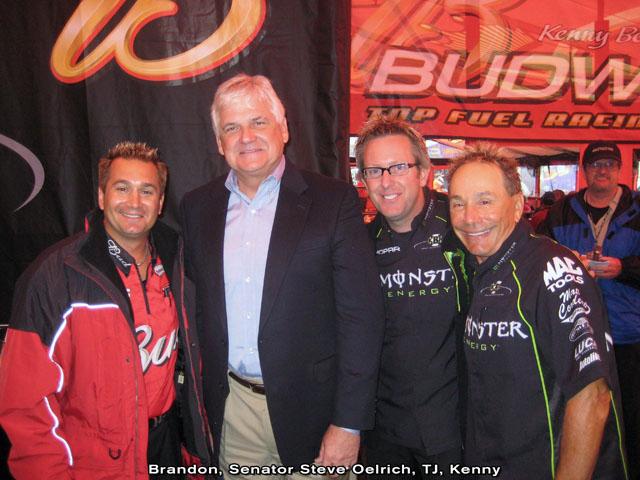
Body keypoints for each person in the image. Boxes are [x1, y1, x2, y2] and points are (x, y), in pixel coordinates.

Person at [180, 73, 384, 478]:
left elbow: (362, 319)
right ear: (219, 142)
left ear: (283, 128)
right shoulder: (196, 208)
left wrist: (348, 423)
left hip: (317, 415)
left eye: (258, 122)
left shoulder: (333, 201)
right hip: (234, 411)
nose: (246, 137)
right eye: (232, 128)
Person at [0, 142, 213, 479]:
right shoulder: (54, 277)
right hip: (94, 462)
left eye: (147, 191)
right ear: (101, 197)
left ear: (160, 203)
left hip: (168, 447)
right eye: (122, 188)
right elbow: (25, 404)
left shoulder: (180, 263)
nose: (134, 202)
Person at [443, 143, 628, 479]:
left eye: (485, 201)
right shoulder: (475, 269)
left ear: (517, 207)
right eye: (458, 203)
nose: (469, 217)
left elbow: (592, 397)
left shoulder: (552, 269)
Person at [354, 117, 461, 478]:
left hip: (457, 431)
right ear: (363, 179)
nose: (386, 182)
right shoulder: (359, 246)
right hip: (385, 433)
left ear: (424, 172)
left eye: (399, 167)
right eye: (374, 171)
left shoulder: (463, 225)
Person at [538, 141, 640, 478]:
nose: (603, 170)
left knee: (630, 415)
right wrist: (570, 261)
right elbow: (538, 254)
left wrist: (623, 268)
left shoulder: (637, 208)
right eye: (596, 164)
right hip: (575, 331)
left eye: (610, 164)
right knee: (578, 412)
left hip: (628, 334)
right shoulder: (561, 211)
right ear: (584, 170)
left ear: (621, 169)